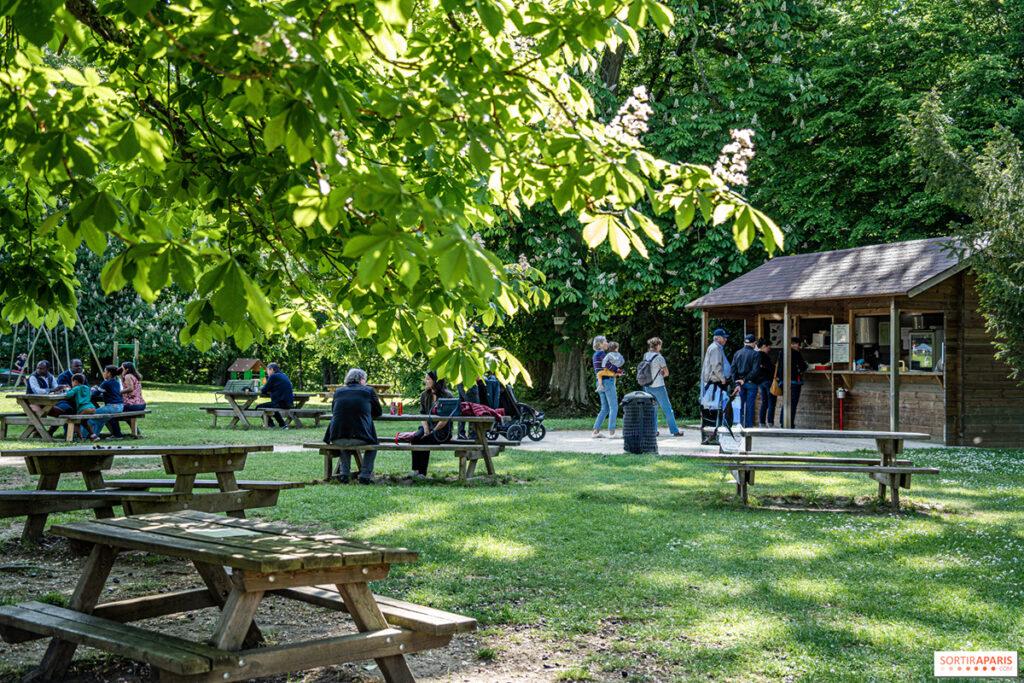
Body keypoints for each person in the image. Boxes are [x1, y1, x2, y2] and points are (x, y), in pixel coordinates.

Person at [323, 368, 382, 484]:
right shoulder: (369, 391)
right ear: (361, 380)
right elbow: (378, 412)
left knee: (345, 439)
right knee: (374, 445)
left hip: (336, 437)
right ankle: (365, 475)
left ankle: (344, 473)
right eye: (365, 379)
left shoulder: (338, 391)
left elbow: (334, 410)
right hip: (361, 438)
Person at [410, 371, 453, 476]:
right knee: (415, 438)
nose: (426, 381)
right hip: (427, 427)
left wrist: (432, 431)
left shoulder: (447, 396)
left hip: (442, 431)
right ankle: (415, 470)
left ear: (436, 381)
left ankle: (422, 473)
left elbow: (445, 420)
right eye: (426, 378)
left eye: (428, 379)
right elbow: (422, 414)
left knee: (424, 441)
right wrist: (425, 429)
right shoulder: (424, 395)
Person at [641, 337, 682, 437]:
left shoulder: (646, 355)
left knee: (652, 409)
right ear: (658, 345)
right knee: (667, 409)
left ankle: (653, 431)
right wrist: (662, 373)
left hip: (647, 386)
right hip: (658, 387)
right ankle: (674, 431)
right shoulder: (659, 358)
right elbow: (666, 373)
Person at [777, 337, 809, 427]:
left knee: (786, 402)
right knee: (793, 403)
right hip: (794, 382)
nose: (799, 346)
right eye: (798, 344)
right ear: (793, 344)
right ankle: (789, 423)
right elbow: (803, 366)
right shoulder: (796, 353)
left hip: (783, 381)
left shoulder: (781, 352)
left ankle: (782, 421)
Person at [730, 334, 761, 428]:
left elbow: (733, 369)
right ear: (754, 343)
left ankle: (741, 424)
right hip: (751, 383)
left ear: (745, 342)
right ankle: (749, 426)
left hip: (740, 383)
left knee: (741, 404)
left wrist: (737, 382)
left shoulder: (737, 353)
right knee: (750, 405)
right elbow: (755, 370)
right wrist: (745, 379)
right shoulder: (756, 354)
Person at [590, 335, 618, 438]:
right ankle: (612, 433)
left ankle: (595, 432)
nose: (607, 343)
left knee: (605, 408)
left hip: (600, 382)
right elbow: (609, 366)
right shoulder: (602, 354)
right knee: (613, 407)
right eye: (605, 341)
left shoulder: (595, 354)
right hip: (607, 382)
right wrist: (618, 371)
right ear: (600, 344)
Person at [113, 361, 146, 437]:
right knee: (129, 414)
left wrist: (119, 392)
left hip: (133, 404)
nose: (120, 369)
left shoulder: (128, 376)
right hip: (140, 404)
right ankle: (134, 433)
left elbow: (130, 388)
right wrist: (122, 376)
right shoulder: (134, 376)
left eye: (122, 368)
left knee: (113, 412)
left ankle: (116, 434)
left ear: (127, 369)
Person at [89, 365, 125, 438]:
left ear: (109, 373)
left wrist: (93, 390)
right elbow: (110, 391)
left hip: (112, 407)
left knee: (91, 415)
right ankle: (94, 435)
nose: (103, 373)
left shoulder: (106, 383)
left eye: (105, 371)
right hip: (120, 406)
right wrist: (98, 389)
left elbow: (95, 395)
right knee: (102, 418)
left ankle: (86, 434)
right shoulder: (116, 382)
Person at [64, 373, 99, 441]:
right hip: (92, 408)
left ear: (75, 381)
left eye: (72, 382)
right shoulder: (87, 387)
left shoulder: (76, 388)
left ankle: (81, 438)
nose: (72, 383)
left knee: (76, 421)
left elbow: (68, 395)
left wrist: (67, 390)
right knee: (83, 422)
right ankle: (93, 436)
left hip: (84, 409)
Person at [258, 362, 294, 428]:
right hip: (289, 403)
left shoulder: (273, 376)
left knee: (259, 407)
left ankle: (271, 424)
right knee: (273, 407)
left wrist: (262, 388)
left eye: (267, 371)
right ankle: (282, 425)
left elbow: (263, 390)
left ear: (271, 369)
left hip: (281, 403)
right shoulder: (283, 375)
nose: (267, 373)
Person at [755, 339, 778, 427]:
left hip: (760, 381)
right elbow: (770, 368)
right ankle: (770, 422)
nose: (769, 349)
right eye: (769, 347)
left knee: (764, 402)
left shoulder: (756, 355)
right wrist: (775, 367)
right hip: (768, 381)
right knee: (772, 401)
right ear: (764, 346)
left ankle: (762, 422)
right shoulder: (763, 356)